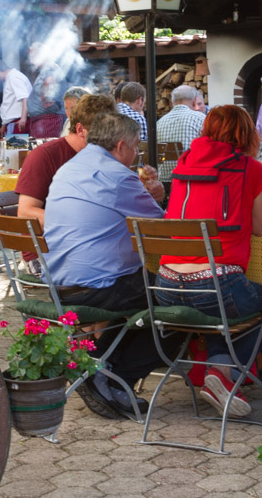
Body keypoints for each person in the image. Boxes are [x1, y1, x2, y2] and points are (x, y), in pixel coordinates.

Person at [156, 104, 262, 418]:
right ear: (247, 134)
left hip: (165, 286)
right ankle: (223, 372)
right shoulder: (250, 169)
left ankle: (217, 371)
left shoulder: (185, 162)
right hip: (216, 287)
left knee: (227, 311)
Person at [41, 112, 167, 420]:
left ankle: (99, 365)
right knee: (178, 298)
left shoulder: (68, 169)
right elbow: (160, 228)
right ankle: (109, 371)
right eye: (137, 146)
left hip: (59, 286)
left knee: (147, 292)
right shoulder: (117, 176)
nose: (138, 153)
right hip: (97, 289)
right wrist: (159, 193)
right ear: (121, 145)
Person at [15, 94, 116, 224]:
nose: (109, 138)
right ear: (80, 130)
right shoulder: (44, 155)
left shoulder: (104, 155)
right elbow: (25, 213)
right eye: (103, 132)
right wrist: (80, 224)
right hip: (54, 240)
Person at [155, 85, 206, 181]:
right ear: (195, 101)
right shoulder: (201, 119)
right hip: (191, 180)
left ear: (172, 102)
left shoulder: (159, 123)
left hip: (164, 181)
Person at [0, 61, 32, 138]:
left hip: (18, 123)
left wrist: (23, 118)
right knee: (12, 149)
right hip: (14, 123)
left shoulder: (14, 77)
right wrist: (4, 125)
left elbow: (25, 97)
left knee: (15, 149)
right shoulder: (11, 77)